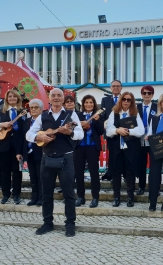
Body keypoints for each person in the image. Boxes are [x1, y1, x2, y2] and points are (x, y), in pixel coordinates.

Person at [26, 88, 83, 237]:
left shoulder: (71, 115)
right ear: (49, 99)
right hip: (47, 158)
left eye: (59, 95)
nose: (56, 98)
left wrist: (69, 132)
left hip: (66, 158)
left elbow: (80, 134)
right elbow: (29, 134)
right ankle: (47, 223)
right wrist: (39, 138)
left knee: (69, 194)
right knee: (46, 193)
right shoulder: (43, 116)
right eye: (53, 96)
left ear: (63, 99)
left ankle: (70, 224)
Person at [106, 92, 144, 208]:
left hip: (131, 148)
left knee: (130, 172)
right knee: (116, 172)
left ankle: (130, 197)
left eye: (129, 100)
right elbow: (108, 130)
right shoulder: (114, 113)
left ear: (132, 102)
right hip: (117, 148)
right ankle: (116, 197)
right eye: (124, 99)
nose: (126, 102)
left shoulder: (135, 114)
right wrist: (117, 131)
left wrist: (128, 131)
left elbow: (141, 131)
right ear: (120, 101)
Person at [0, 89, 25, 205]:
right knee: (4, 171)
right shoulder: (1, 111)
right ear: (6, 99)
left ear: (18, 98)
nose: (12, 98)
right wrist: (2, 124)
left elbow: (24, 131)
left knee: (17, 171)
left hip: (17, 146)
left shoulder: (23, 111)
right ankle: (6, 194)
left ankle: (16, 194)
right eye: (9, 97)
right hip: (3, 145)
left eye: (14, 97)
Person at [74, 95, 104, 208]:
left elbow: (101, 131)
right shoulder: (78, 115)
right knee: (78, 172)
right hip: (79, 146)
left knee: (94, 172)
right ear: (83, 104)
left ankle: (95, 197)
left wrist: (96, 122)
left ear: (94, 104)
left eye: (91, 102)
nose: (88, 104)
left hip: (92, 146)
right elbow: (73, 129)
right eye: (86, 102)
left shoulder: (97, 115)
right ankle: (80, 197)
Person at [136, 85, 157, 195]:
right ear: (141, 95)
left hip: (153, 140)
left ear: (152, 95)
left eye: (149, 93)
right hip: (140, 140)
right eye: (144, 93)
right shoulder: (136, 107)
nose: (147, 95)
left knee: (155, 165)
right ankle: (141, 186)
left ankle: (154, 187)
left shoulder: (157, 107)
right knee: (141, 165)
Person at [23, 99, 44, 207]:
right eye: (32, 108)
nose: (33, 109)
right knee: (33, 177)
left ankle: (41, 198)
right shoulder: (26, 121)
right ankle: (34, 197)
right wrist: (20, 152)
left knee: (41, 177)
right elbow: (22, 139)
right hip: (29, 152)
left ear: (41, 109)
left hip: (40, 152)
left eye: (36, 107)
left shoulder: (44, 121)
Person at [101, 80, 122, 181]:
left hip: (123, 132)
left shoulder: (125, 99)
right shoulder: (105, 100)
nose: (115, 88)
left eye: (118, 86)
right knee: (112, 154)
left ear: (121, 88)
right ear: (110, 88)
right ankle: (111, 173)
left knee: (123, 154)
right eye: (113, 86)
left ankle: (124, 173)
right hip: (110, 132)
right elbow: (102, 115)